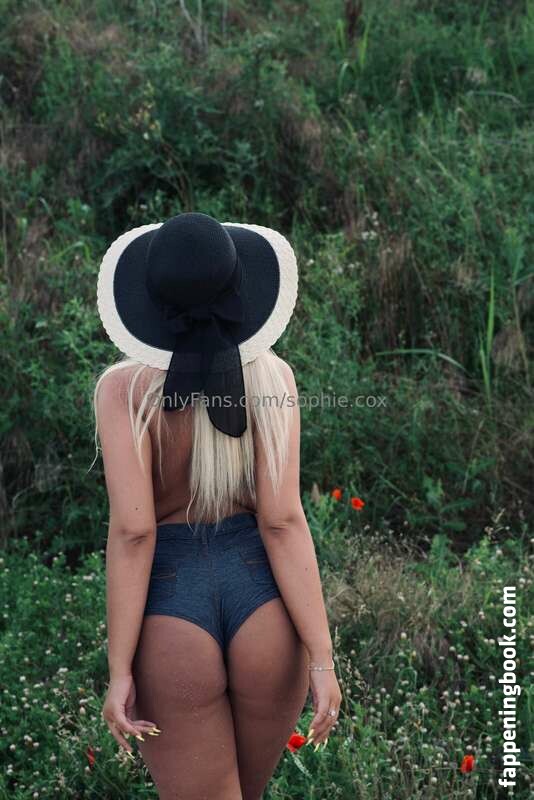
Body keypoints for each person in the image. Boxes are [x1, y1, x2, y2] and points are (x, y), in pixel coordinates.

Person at [93, 212, 342, 799]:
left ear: (151, 303)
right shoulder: (273, 378)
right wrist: (322, 659)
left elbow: (134, 534)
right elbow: (282, 522)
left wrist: (120, 669)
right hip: (264, 607)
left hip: (171, 613)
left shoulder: (122, 391)